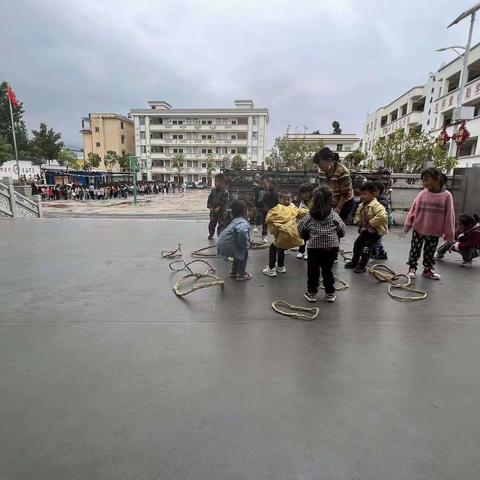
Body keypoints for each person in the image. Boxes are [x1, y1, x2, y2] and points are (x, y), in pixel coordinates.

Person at [404, 167, 455, 280]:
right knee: (415, 249)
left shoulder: (447, 196)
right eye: (423, 180)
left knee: (430, 251)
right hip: (419, 228)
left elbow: (449, 215)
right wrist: (408, 224)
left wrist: (449, 234)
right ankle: (412, 268)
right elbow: (413, 210)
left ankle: (427, 269)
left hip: (434, 231)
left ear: (437, 179)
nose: (424, 183)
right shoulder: (422, 194)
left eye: (427, 180)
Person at [298, 186, 347, 303]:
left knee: (313, 272)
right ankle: (330, 293)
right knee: (327, 270)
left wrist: (306, 236)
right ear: (330, 199)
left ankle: (311, 293)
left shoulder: (310, 216)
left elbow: (300, 229)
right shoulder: (334, 215)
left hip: (314, 248)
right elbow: (342, 230)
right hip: (331, 248)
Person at [345, 181, 388, 273]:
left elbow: (382, 216)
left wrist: (371, 223)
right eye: (362, 194)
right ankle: (354, 261)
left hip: (375, 232)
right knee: (357, 244)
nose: (362, 196)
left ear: (373, 194)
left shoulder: (377, 206)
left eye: (365, 194)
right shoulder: (361, 205)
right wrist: (359, 221)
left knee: (367, 248)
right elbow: (357, 213)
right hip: (365, 230)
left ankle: (362, 266)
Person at [262, 194, 308, 277]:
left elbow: (268, 218)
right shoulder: (293, 208)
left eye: (288, 199)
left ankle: (271, 269)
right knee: (281, 248)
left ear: (291, 200)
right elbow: (302, 212)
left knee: (273, 247)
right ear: (280, 199)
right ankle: (280, 266)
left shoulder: (278, 207)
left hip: (285, 232)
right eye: (284, 199)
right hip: (292, 234)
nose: (286, 201)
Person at [313, 147, 354, 221]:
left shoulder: (342, 171)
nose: (319, 166)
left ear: (329, 160)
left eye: (320, 164)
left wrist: (339, 208)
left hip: (344, 201)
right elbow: (323, 189)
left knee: (338, 222)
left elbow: (345, 193)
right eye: (318, 165)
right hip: (332, 200)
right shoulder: (321, 171)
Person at [217, 200, 252, 281]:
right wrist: (246, 245)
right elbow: (242, 232)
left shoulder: (235, 220)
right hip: (228, 246)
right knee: (244, 252)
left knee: (238, 252)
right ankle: (241, 274)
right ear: (244, 211)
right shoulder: (243, 222)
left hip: (222, 245)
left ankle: (234, 272)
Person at [371, 181, 393, 260]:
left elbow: (383, 216)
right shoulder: (375, 199)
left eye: (374, 191)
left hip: (384, 223)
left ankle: (378, 253)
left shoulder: (382, 201)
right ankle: (380, 253)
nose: (372, 192)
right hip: (379, 222)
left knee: (377, 239)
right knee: (376, 238)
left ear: (379, 192)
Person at [207, 173, 229, 239]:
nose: (216, 183)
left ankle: (220, 235)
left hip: (221, 212)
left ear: (222, 182)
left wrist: (219, 207)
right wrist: (210, 207)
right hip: (213, 211)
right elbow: (209, 199)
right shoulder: (213, 191)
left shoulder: (225, 192)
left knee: (221, 224)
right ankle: (211, 234)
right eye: (215, 181)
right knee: (212, 223)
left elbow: (225, 202)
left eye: (217, 181)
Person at [296, 183, 316, 260]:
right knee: (303, 237)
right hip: (304, 223)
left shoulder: (314, 201)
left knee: (311, 238)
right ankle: (301, 251)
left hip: (313, 223)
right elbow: (299, 212)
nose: (306, 195)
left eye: (307, 192)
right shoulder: (302, 203)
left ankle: (309, 253)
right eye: (303, 193)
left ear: (311, 192)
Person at [260, 177, 279, 243]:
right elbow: (263, 201)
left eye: (270, 183)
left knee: (276, 224)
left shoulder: (276, 194)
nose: (268, 184)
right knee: (265, 224)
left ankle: (278, 238)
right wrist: (265, 206)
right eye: (268, 183)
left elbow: (277, 203)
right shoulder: (267, 192)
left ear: (274, 185)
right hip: (266, 210)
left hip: (273, 211)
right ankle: (264, 237)